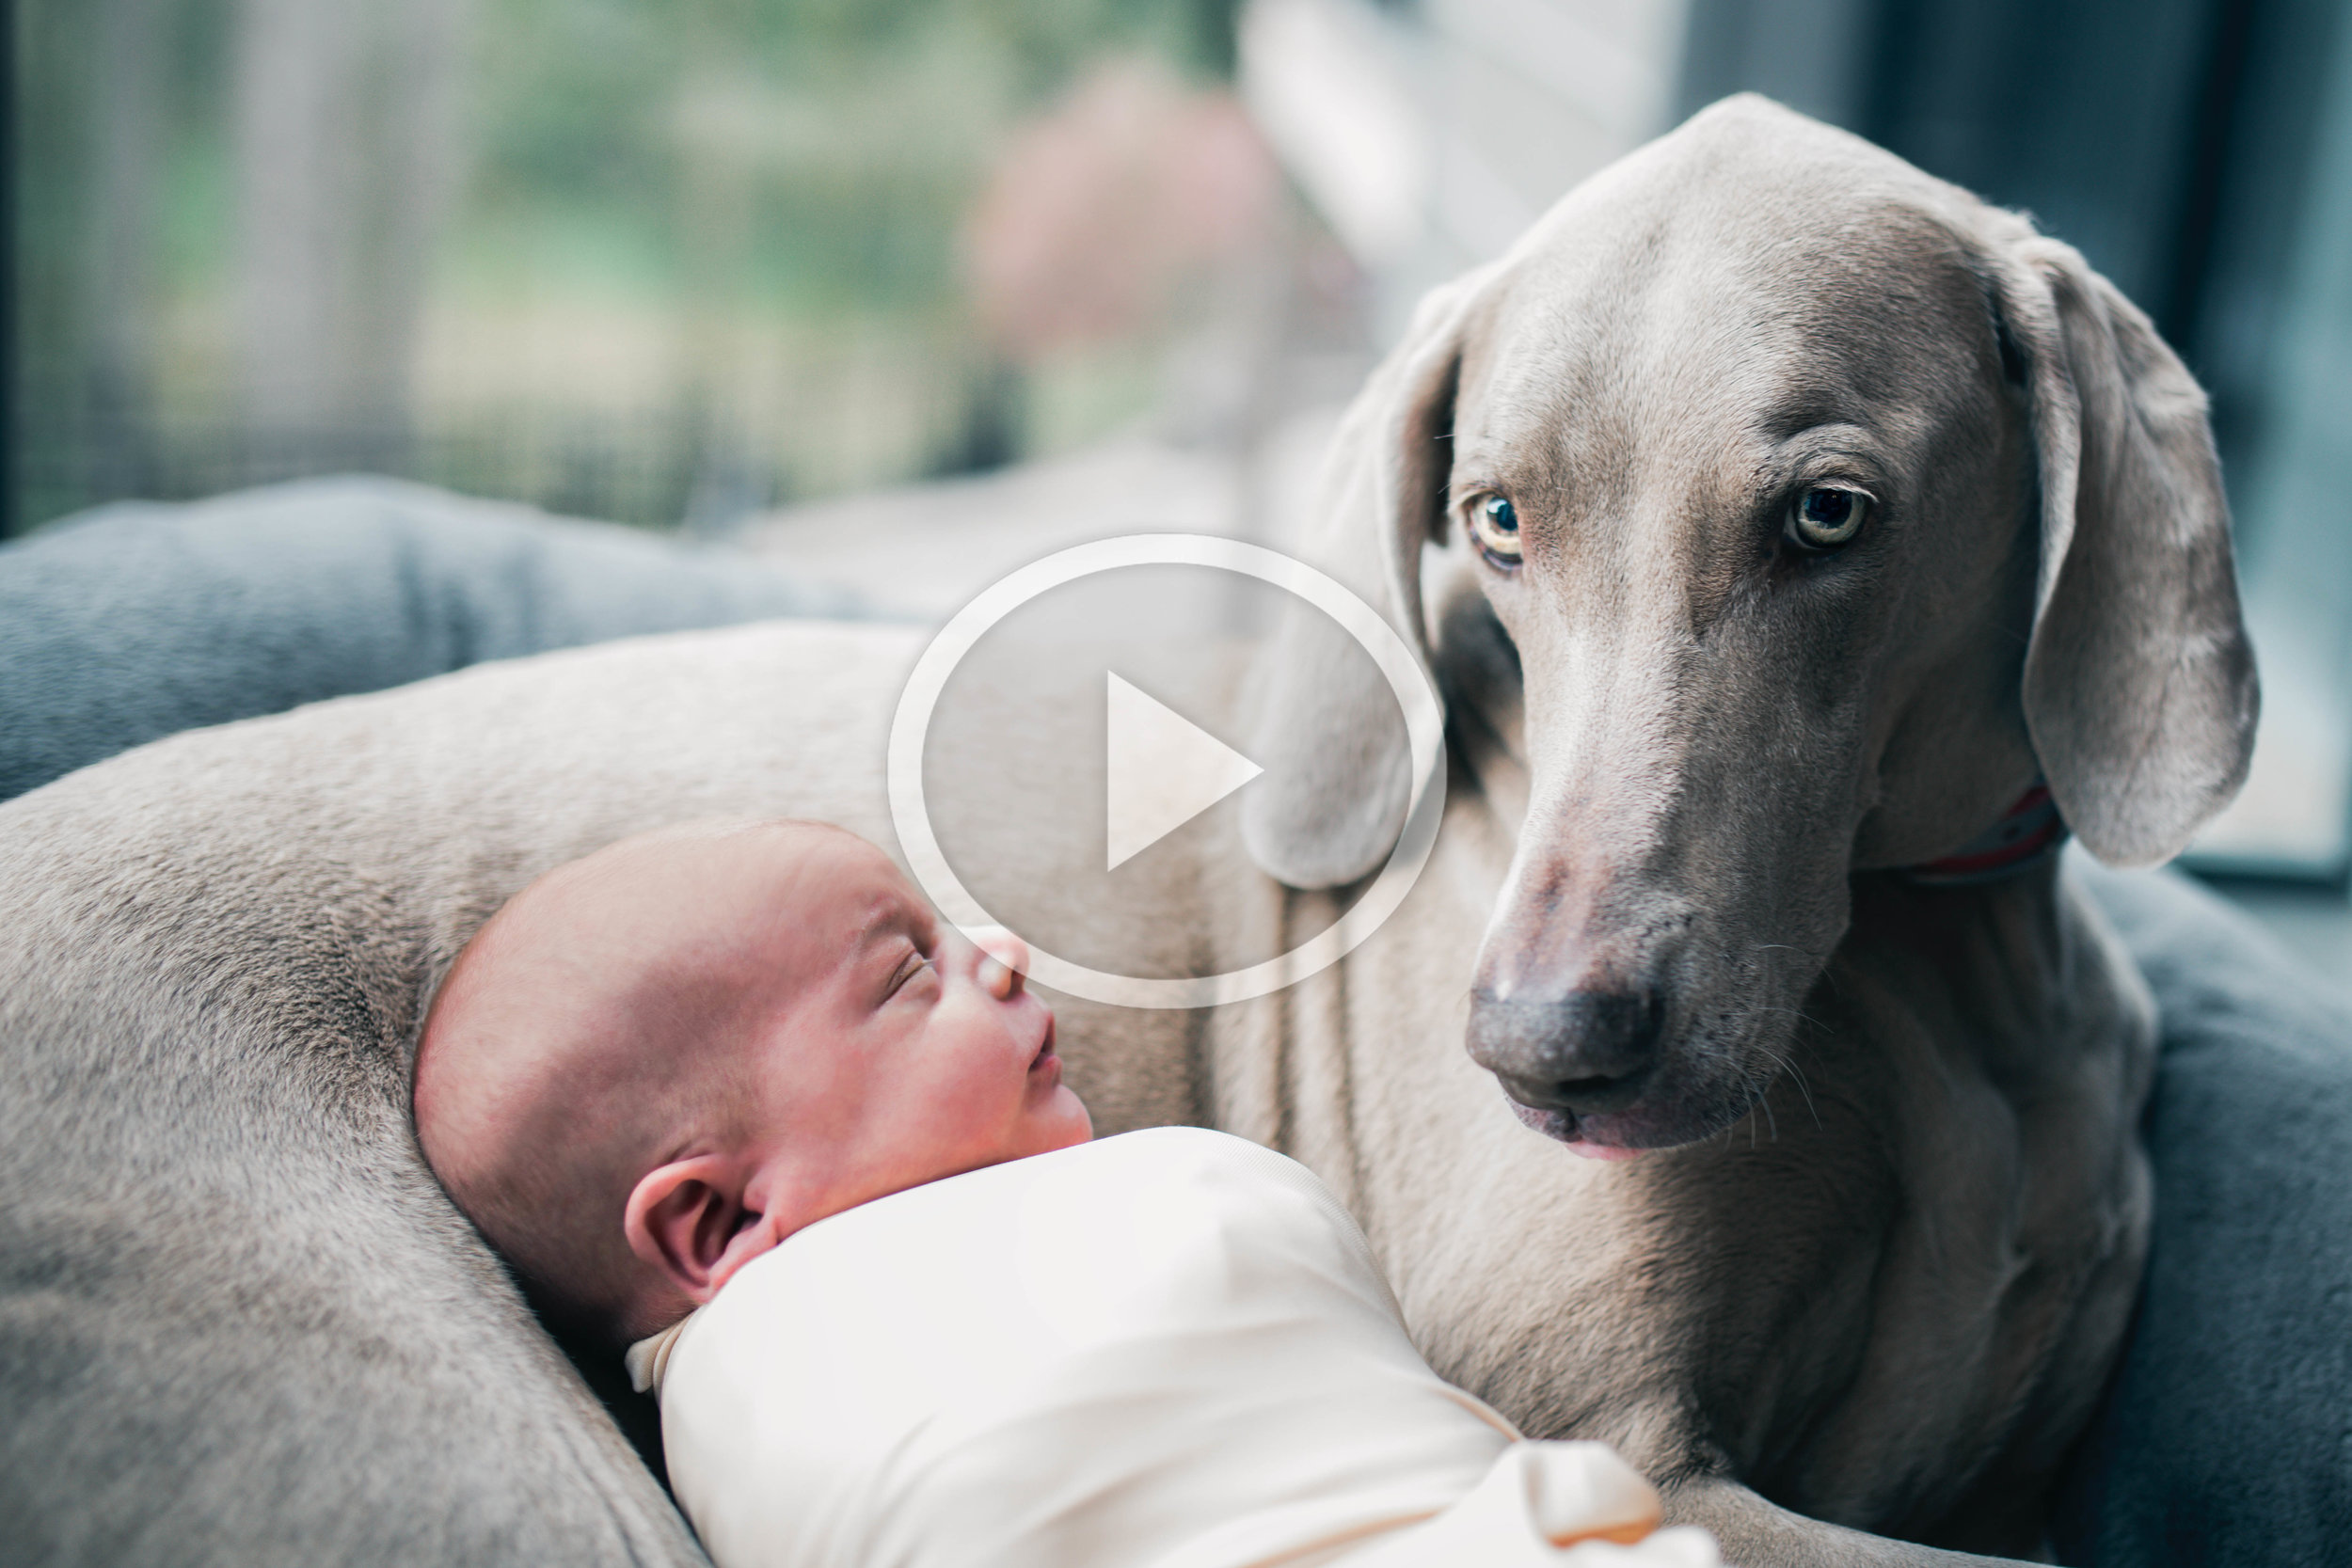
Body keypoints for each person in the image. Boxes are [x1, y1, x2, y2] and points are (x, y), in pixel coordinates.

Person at [412, 817, 1719, 1568]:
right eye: (904, 978)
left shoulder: (721, 1417)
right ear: (721, 1223)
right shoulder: (1132, 1203)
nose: (999, 953)